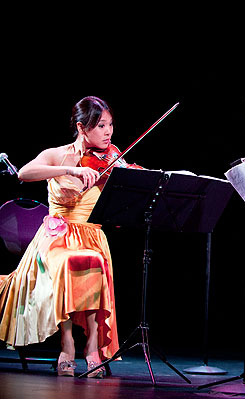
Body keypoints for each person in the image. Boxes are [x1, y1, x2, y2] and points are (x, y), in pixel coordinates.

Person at [0, 96, 122, 378]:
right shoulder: (58, 154)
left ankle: (91, 345)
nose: (108, 132)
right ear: (82, 127)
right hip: (57, 237)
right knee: (70, 262)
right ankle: (67, 345)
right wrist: (70, 169)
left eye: (110, 125)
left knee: (93, 260)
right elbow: (25, 173)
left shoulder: (112, 157)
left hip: (91, 236)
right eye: (101, 125)